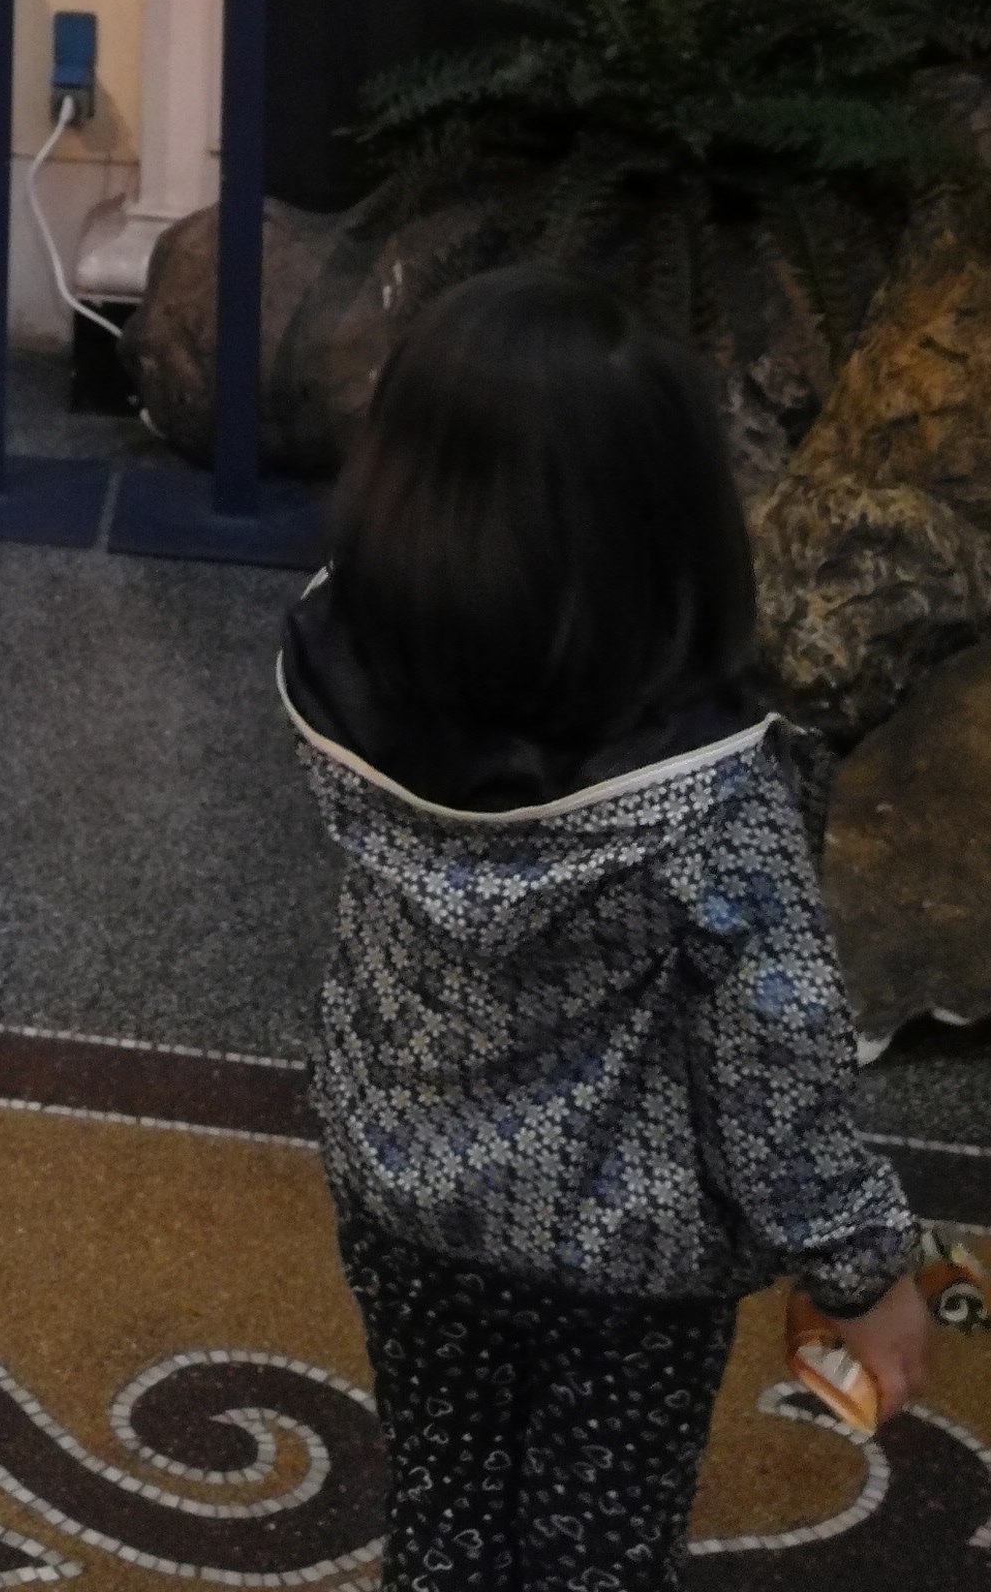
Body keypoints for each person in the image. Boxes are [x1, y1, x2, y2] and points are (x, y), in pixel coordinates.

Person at [279, 265, 931, 1589]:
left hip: (401, 1194)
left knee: (445, 1508)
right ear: (679, 527)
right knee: (599, 1550)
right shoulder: (719, 801)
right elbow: (778, 1070)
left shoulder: (341, 678)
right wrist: (866, 1273)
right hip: (626, 1264)